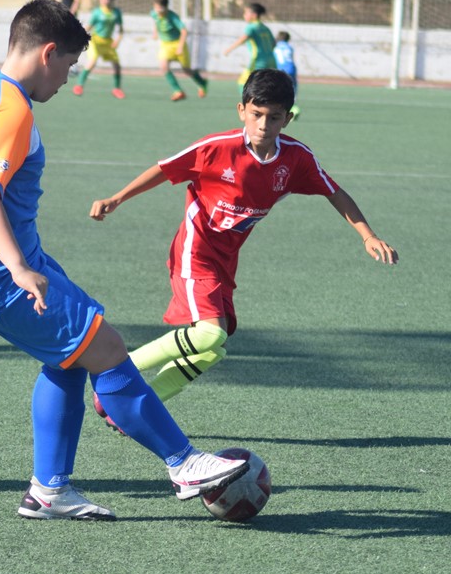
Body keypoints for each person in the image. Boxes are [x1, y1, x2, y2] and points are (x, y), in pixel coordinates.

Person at [0, 0, 249, 521]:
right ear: (48, 53)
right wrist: (16, 267)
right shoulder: (12, 110)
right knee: (107, 348)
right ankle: (184, 463)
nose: (66, 79)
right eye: (70, 65)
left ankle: (49, 491)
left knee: (71, 355)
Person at [88, 69, 397, 415]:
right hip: (194, 250)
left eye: (274, 117)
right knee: (210, 335)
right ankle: (116, 372)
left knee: (212, 350)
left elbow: (334, 192)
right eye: (256, 114)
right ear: (241, 111)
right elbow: (165, 169)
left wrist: (368, 235)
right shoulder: (216, 148)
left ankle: (134, 408)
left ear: (287, 119)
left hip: (225, 260)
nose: (263, 124)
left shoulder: (296, 159)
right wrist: (117, 198)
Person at [151, 0, 208, 102]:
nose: (157, 11)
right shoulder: (154, 13)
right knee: (163, 66)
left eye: (159, 8)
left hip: (178, 43)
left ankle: (202, 83)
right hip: (166, 45)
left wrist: (180, 47)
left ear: (165, 7)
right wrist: (155, 32)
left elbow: (184, 31)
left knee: (186, 71)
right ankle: (178, 91)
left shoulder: (173, 17)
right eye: (155, 8)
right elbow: (155, 20)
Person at [72, 0, 125, 99]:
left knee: (117, 66)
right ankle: (79, 86)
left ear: (112, 0)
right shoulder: (97, 12)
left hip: (108, 42)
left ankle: (117, 89)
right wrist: (80, 35)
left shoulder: (116, 12)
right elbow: (89, 26)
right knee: (92, 61)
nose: (104, 1)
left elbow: (120, 30)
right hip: (95, 41)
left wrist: (117, 41)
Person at [222, 2, 276, 88]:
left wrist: (228, 50)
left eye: (246, 13)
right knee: (266, 85)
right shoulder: (265, 28)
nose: (244, 15)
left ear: (254, 15)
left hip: (258, 61)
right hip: (271, 61)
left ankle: (250, 98)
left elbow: (243, 39)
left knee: (243, 83)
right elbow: (273, 43)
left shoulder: (251, 27)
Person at [274, 30, 300, 119]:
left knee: (279, 89)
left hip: (281, 69)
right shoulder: (289, 47)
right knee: (292, 89)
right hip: (292, 68)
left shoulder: (275, 47)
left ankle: (283, 109)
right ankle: (293, 106)